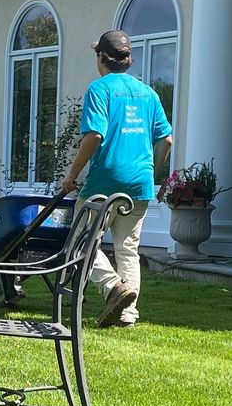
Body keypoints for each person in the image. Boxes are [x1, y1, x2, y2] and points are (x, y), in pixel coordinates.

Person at [56, 28, 173, 328]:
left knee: (82, 243)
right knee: (128, 249)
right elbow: (167, 140)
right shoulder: (149, 93)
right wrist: (154, 171)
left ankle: (112, 288)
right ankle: (128, 314)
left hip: (105, 182)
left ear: (101, 58)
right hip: (139, 183)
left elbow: (95, 134)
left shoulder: (100, 89)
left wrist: (73, 173)